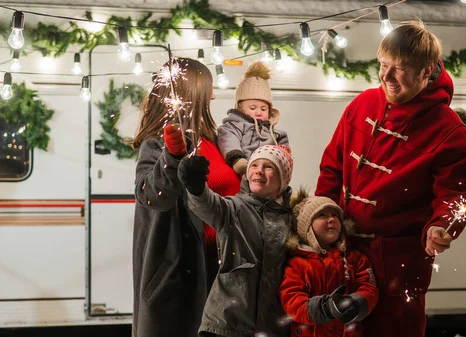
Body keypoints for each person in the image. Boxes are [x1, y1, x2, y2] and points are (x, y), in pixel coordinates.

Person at [315, 20, 466, 337]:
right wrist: (322, 217)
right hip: (344, 254)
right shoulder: (362, 104)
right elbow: (332, 166)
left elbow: (455, 197)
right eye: (382, 65)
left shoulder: (449, 131)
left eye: (399, 69)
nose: (385, 77)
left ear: (426, 70)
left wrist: (442, 225)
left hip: (398, 266)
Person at [131, 57, 240, 337]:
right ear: (192, 94)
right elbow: (154, 196)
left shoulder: (215, 142)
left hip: (224, 274)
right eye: (209, 90)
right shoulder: (157, 144)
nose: (214, 95)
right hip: (182, 279)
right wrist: (172, 155)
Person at [178, 144, 294, 337]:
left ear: (283, 179)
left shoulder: (291, 220)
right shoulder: (234, 208)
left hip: (271, 327)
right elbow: (208, 204)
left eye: (268, 166)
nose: (259, 171)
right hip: (226, 325)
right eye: (254, 165)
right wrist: (196, 187)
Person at [280, 190, 378, 337]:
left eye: (335, 215)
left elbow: (369, 287)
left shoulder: (355, 258)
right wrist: (322, 308)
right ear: (306, 228)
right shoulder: (297, 264)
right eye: (322, 215)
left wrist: (357, 303)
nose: (331, 219)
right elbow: (291, 299)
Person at [217, 61, 289, 175]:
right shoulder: (234, 125)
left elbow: (284, 153)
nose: (258, 112)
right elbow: (228, 139)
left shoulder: (276, 134)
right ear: (240, 107)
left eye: (263, 109)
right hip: (243, 170)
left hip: (267, 175)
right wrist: (238, 159)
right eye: (253, 108)